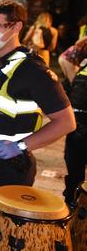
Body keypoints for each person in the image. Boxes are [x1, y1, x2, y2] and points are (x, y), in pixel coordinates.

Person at [0, 0, 75, 251]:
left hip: (5, 168)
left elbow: (66, 121)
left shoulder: (32, 70)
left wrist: (20, 145)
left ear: (16, 26)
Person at [64, 61, 87, 204]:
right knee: (74, 175)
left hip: (79, 127)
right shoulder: (84, 64)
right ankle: (72, 203)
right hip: (76, 128)